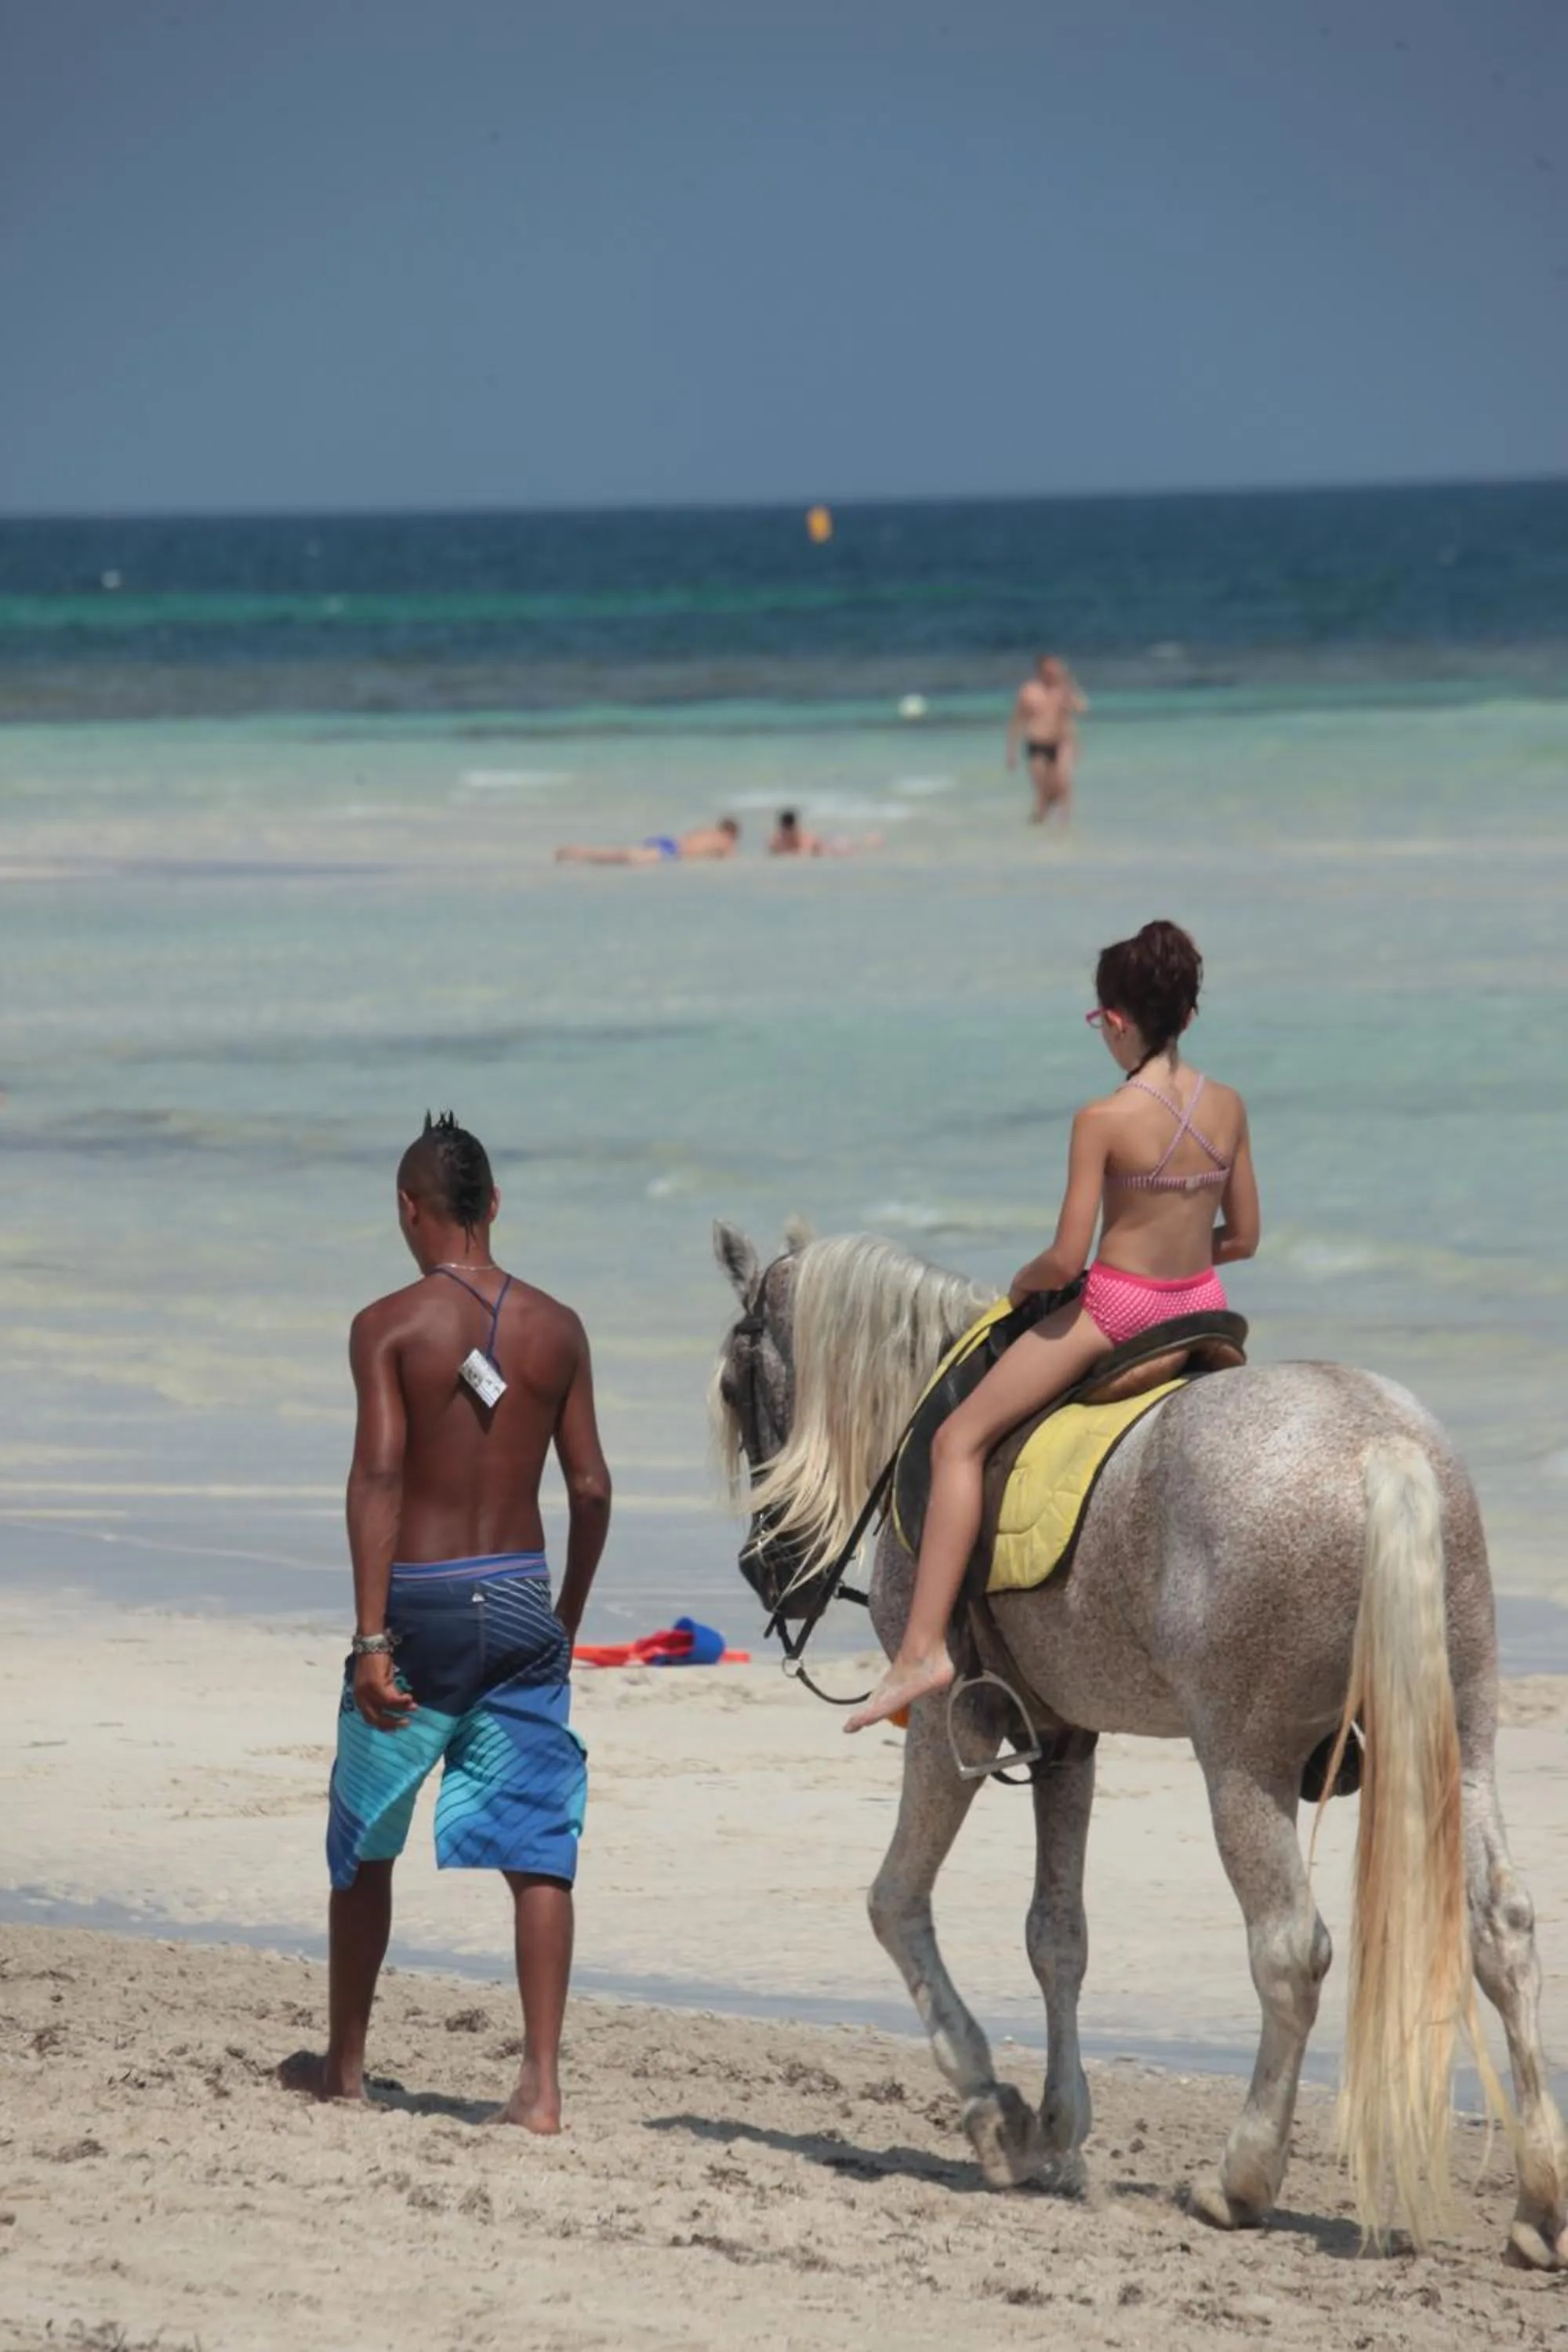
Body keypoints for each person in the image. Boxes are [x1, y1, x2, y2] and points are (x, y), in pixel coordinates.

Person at [279, 1112, 611, 2129]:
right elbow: (592, 1490)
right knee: (539, 1847)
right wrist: (563, 1617)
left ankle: (345, 2067)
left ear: (408, 1210)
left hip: (418, 1603)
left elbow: (377, 1475)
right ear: (495, 1206)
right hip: (519, 1596)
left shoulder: (385, 1326)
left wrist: (371, 1638)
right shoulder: (558, 1327)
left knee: (365, 1839)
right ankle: (541, 2089)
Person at [845, 920, 1258, 1733]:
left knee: (957, 1441)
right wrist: (1181, 1254)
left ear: (1114, 1020)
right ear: (1188, 1015)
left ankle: (921, 1647)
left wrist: (1026, 1282)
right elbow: (1243, 1238)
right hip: (1204, 1305)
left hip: (1121, 1311)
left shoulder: (1101, 1118)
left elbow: (1068, 1253)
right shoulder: (1229, 1105)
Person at [1005, 654, 1088, 827]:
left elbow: (1082, 709)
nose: (1054, 673)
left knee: (1064, 784)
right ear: (1041, 670)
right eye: (1050, 669)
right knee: (1043, 791)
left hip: (1062, 744)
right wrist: (1011, 751)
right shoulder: (1028, 691)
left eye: (1057, 669)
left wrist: (1071, 688)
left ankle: (1065, 825)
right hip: (1037, 744)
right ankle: (1038, 820)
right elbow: (1017, 720)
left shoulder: (1064, 690)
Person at [554, 817, 740, 865]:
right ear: (732, 834)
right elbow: (729, 860)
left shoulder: (705, 831)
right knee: (627, 859)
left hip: (667, 841)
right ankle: (579, 855)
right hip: (672, 852)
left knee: (621, 854)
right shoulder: (726, 841)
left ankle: (578, 852)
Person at [768, 808, 884, 858]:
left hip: (829, 849)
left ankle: (872, 840)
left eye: (789, 830)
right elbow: (772, 851)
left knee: (853, 848)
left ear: (795, 828)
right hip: (824, 849)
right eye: (784, 830)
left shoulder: (804, 838)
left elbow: (805, 855)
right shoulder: (776, 839)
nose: (786, 833)